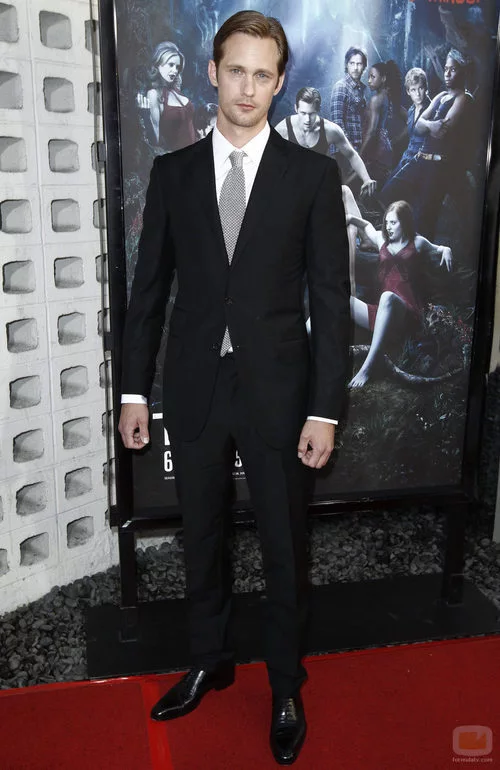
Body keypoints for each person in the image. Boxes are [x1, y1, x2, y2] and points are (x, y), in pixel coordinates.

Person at [118, 10, 350, 766]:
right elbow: (149, 293)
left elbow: (329, 298)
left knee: (284, 544)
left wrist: (325, 409)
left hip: (280, 391)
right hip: (194, 385)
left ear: (279, 84)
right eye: (237, 70)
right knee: (202, 537)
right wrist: (133, 392)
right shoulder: (174, 173)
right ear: (213, 73)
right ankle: (208, 661)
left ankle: (284, 685)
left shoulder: (312, 176)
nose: (248, 87)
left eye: (263, 74)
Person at [347, 200, 452, 388]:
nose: (388, 227)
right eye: (387, 222)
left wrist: (447, 249)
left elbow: (438, 249)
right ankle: (309, 335)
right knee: (346, 301)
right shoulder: (381, 240)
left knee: (387, 296)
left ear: (404, 223)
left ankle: (368, 367)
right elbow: (366, 225)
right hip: (383, 312)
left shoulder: (417, 243)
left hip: (407, 314)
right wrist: (351, 218)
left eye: (393, 223)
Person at [379, 49, 474, 239]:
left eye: (453, 69)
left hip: (437, 166)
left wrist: (427, 124)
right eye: (445, 69)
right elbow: (418, 127)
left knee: (424, 220)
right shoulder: (441, 96)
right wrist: (431, 124)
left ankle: (416, 252)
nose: (447, 73)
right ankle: (399, 240)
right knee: (389, 194)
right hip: (421, 161)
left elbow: (442, 132)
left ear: (462, 71)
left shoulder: (463, 97)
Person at [275, 87, 377, 197]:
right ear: (296, 108)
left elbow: (352, 155)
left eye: (312, 114)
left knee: (345, 192)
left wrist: (367, 179)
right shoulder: (283, 129)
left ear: (318, 110)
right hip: (290, 187)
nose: (307, 120)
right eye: (303, 113)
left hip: (316, 188)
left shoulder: (330, 130)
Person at [137, 41, 196, 151]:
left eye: (177, 67)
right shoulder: (153, 94)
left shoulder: (175, 90)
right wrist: (145, 115)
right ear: (158, 64)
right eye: (171, 65)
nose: (175, 70)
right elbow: (155, 140)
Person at [358, 60, 406, 185]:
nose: (369, 81)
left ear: (383, 79)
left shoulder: (376, 100)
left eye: (372, 77)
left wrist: (359, 155)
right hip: (386, 150)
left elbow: (372, 132)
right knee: (376, 187)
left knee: (361, 181)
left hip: (376, 150)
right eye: (368, 77)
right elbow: (410, 118)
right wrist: (394, 141)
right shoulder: (390, 98)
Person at [330, 46, 369, 183]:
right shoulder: (341, 87)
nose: (355, 68)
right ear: (347, 65)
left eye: (359, 64)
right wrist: (350, 150)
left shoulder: (361, 89)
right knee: (344, 188)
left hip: (358, 148)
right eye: (352, 63)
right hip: (344, 150)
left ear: (364, 66)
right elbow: (337, 122)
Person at [391, 68, 432, 176]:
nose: (417, 94)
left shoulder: (433, 109)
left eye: (420, 88)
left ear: (426, 88)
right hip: (407, 158)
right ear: (408, 92)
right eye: (413, 90)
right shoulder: (411, 110)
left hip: (422, 163)